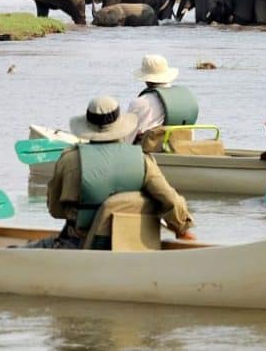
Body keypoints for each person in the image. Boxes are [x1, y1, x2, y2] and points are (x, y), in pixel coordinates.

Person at [30, 95, 195, 249]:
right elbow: (172, 201)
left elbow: (55, 210)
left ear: (88, 125)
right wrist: (182, 230)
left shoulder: (70, 159)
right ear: (119, 123)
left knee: (22, 250)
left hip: (82, 244)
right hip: (135, 244)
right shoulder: (143, 160)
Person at [126, 54, 200, 148]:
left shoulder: (140, 102)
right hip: (182, 147)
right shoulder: (186, 98)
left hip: (150, 150)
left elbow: (127, 138)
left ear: (145, 78)